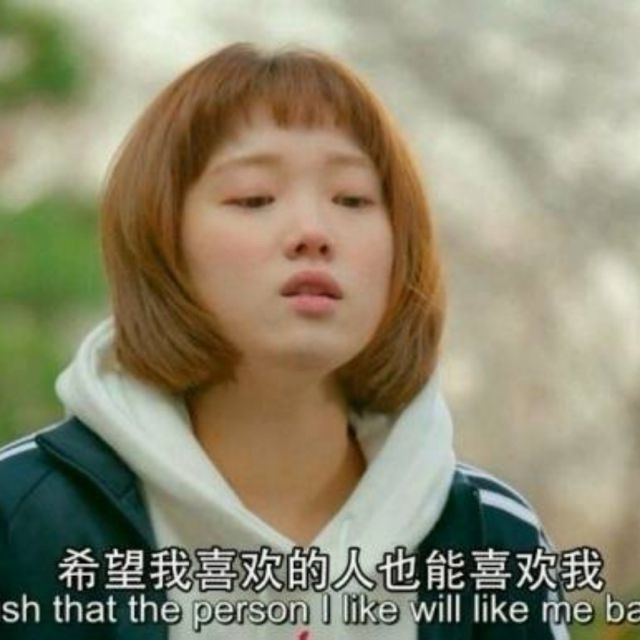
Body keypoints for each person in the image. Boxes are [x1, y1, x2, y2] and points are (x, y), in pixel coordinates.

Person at [0, 43, 569, 639]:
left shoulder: (491, 538)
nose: (313, 232)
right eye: (254, 199)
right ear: (161, 238)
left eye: (352, 199)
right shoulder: (22, 518)